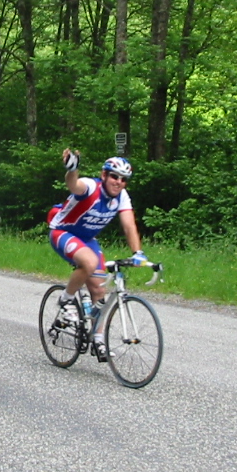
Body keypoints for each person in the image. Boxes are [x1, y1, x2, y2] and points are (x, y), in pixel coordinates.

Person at [48, 149, 146, 358]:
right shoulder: (91, 186)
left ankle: (98, 339)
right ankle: (66, 300)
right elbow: (73, 184)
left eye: (123, 179)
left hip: (87, 240)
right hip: (63, 232)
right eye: (114, 176)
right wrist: (72, 168)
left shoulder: (122, 197)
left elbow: (129, 226)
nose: (118, 182)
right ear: (104, 175)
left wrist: (138, 253)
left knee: (99, 291)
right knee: (90, 262)